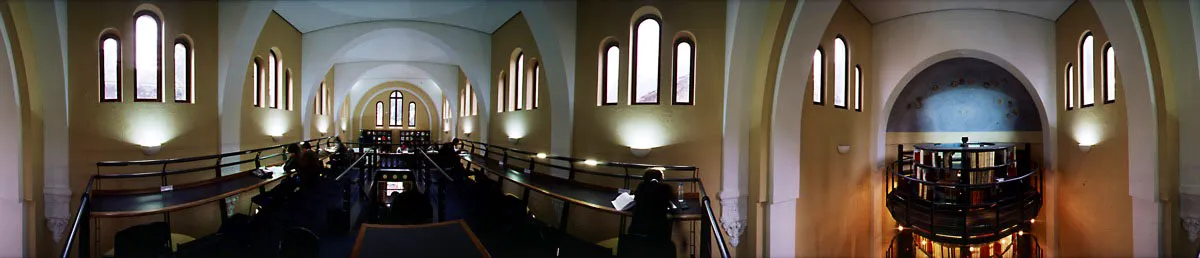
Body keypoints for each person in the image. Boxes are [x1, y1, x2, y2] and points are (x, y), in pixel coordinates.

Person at [621, 169, 678, 258]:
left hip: (636, 237)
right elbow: (672, 209)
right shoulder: (666, 188)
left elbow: (637, 200)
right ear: (660, 179)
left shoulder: (641, 187)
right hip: (658, 238)